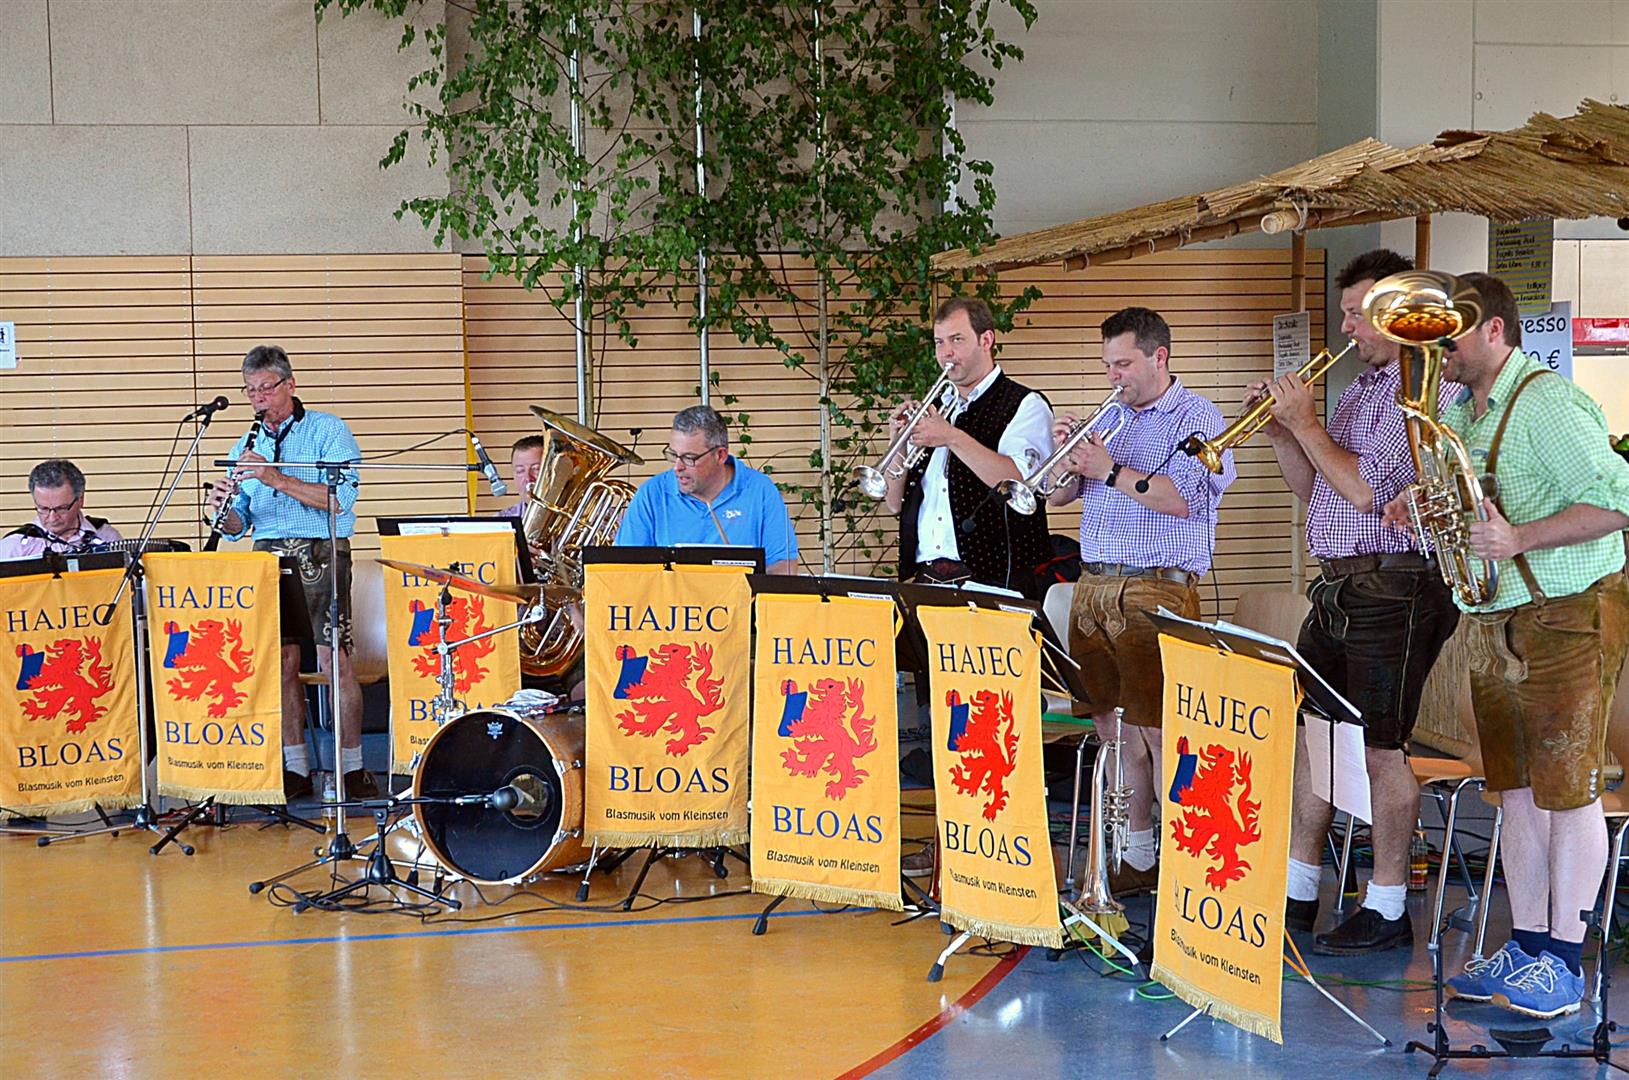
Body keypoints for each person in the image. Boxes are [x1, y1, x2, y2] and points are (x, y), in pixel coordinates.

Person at [1379, 273, 1629, 1019]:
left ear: (1494, 330)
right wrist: (1423, 505)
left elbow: (1617, 501)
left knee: (1568, 793)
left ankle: (1564, 963)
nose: (1436, 351)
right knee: (1514, 793)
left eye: (1447, 335)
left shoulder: (1546, 402)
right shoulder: (1461, 411)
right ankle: (1526, 945)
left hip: (1565, 615)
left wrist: (1519, 538)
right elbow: (1473, 505)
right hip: (1498, 618)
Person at [1253, 249, 1461, 955]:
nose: (1344, 327)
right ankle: (1297, 888)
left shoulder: (1422, 393)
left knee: (1380, 749)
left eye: (1356, 314)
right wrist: (1284, 433)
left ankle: (1388, 905)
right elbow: (1317, 491)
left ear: (1398, 316)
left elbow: (1367, 493)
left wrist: (1306, 424)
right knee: (1315, 739)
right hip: (1340, 582)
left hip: (1395, 584)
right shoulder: (1358, 391)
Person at [1051, 306, 1235, 895]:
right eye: (1108, 365)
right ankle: (1135, 852)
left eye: (1124, 364)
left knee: (1160, 730)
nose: (1114, 377)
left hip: (1158, 585)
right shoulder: (1111, 418)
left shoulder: (1198, 416)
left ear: (1159, 357)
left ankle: (1184, 859)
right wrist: (1065, 458)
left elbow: (1184, 499)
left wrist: (1107, 468)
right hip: (1095, 584)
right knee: (1112, 726)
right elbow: (1057, 499)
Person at [206, 344, 379, 801]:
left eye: (266, 388)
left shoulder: (328, 430)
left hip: (322, 548)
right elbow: (239, 525)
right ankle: (296, 767)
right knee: (281, 663)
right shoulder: (245, 445)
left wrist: (275, 477)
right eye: (250, 391)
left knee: (332, 659)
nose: (259, 398)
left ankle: (352, 767)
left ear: (290, 384)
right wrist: (220, 510)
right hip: (268, 555)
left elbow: (339, 500)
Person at [883, 296, 1054, 599]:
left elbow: (1019, 483)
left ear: (986, 340)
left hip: (995, 581)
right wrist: (897, 441)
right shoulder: (936, 406)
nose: (946, 353)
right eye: (939, 342)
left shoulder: (1025, 404)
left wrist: (951, 437)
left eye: (957, 339)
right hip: (925, 578)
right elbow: (894, 503)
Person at [615, 405, 799, 574]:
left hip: (741, 599)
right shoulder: (651, 494)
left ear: (720, 455)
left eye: (689, 458)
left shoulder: (761, 491)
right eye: (673, 455)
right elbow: (626, 570)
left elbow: (784, 566)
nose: (677, 467)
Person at [0, 460, 123, 559]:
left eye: (61, 508)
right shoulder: (14, 547)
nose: (52, 518)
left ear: (80, 499)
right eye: (44, 508)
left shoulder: (106, 537)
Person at [499, 435, 548, 520]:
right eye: (520, 470)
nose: (528, 478)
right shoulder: (502, 520)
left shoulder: (572, 519)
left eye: (536, 469)